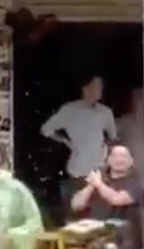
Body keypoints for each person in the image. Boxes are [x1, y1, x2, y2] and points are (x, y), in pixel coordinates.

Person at [41, 75, 117, 224]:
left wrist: (107, 156)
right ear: (84, 88)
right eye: (94, 86)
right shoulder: (69, 110)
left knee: (99, 222)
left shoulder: (105, 112)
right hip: (77, 172)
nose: (98, 90)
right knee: (75, 220)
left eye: (100, 87)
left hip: (99, 173)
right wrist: (65, 141)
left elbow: (113, 138)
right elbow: (46, 130)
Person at [69, 141, 144, 249]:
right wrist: (91, 186)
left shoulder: (135, 184)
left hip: (121, 243)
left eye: (123, 156)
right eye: (114, 156)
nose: (119, 159)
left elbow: (117, 199)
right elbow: (76, 205)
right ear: (108, 160)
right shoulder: (98, 182)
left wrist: (99, 184)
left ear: (131, 161)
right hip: (94, 239)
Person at [116, 88, 144, 188]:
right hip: (131, 180)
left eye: (143, 100)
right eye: (137, 100)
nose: (141, 104)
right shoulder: (125, 122)